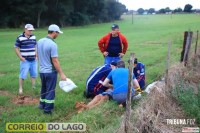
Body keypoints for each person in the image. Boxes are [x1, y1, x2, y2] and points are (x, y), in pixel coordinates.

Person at [37, 24, 67, 114]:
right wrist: (62, 73)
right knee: (50, 90)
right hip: (50, 72)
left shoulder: (40, 41)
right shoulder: (52, 44)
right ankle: (48, 110)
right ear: (54, 32)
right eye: (57, 33)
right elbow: (55, 61)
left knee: (44, 88)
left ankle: (41, 105)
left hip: (41, 71)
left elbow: (37, 55)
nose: (58, 35)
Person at [14, 24, 37, 95]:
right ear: (25, 29)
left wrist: (36, 55)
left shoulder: (33, 37)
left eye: (31, 30)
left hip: (34, 59)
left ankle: (33, 87)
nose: (31, 31)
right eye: (29, 30)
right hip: (25, 60)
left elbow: (35, 46)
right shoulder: (20, 37)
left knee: (34, 74)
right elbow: (16, 48)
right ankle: (20, 88)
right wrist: (20, 57)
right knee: (23, 75)